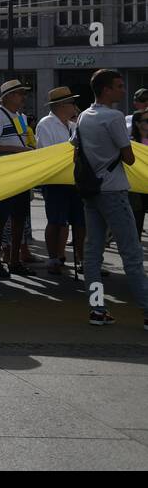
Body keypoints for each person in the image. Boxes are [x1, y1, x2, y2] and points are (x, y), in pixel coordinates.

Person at [77, 69, 148, 330]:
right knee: (131, 252)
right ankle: (146, 309)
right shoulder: (115, 117)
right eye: (118, 86)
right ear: (106, 89)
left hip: (91, 191)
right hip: (114, 190)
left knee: (93, 253)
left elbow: (76, 144)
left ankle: (97, 309)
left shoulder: (84, 115)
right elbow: (129, 157)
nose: (123, 90)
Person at [0, 79, 35, 277]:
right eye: (21, 93)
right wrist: (15, 149)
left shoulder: (19, 116)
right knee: (1, 218)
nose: (24, 97)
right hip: (3, 174)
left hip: (18, 173)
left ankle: (14, 260)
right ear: (9, 96)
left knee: (19, 217)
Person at [36, 87, 84, 277]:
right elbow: (48, 152)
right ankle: (54, 258)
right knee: (56, 221)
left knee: (80, 221)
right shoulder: (46, 124)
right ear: (62, 105)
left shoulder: (73, 125)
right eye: (72, 103)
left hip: (74, 179)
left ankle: (81, 258)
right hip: (55, 180)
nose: (75, 106)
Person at [129, 111, 148, 241]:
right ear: (137, 124)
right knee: (137, 216)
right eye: (146, 121)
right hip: (136, 186)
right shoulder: (131, 143)